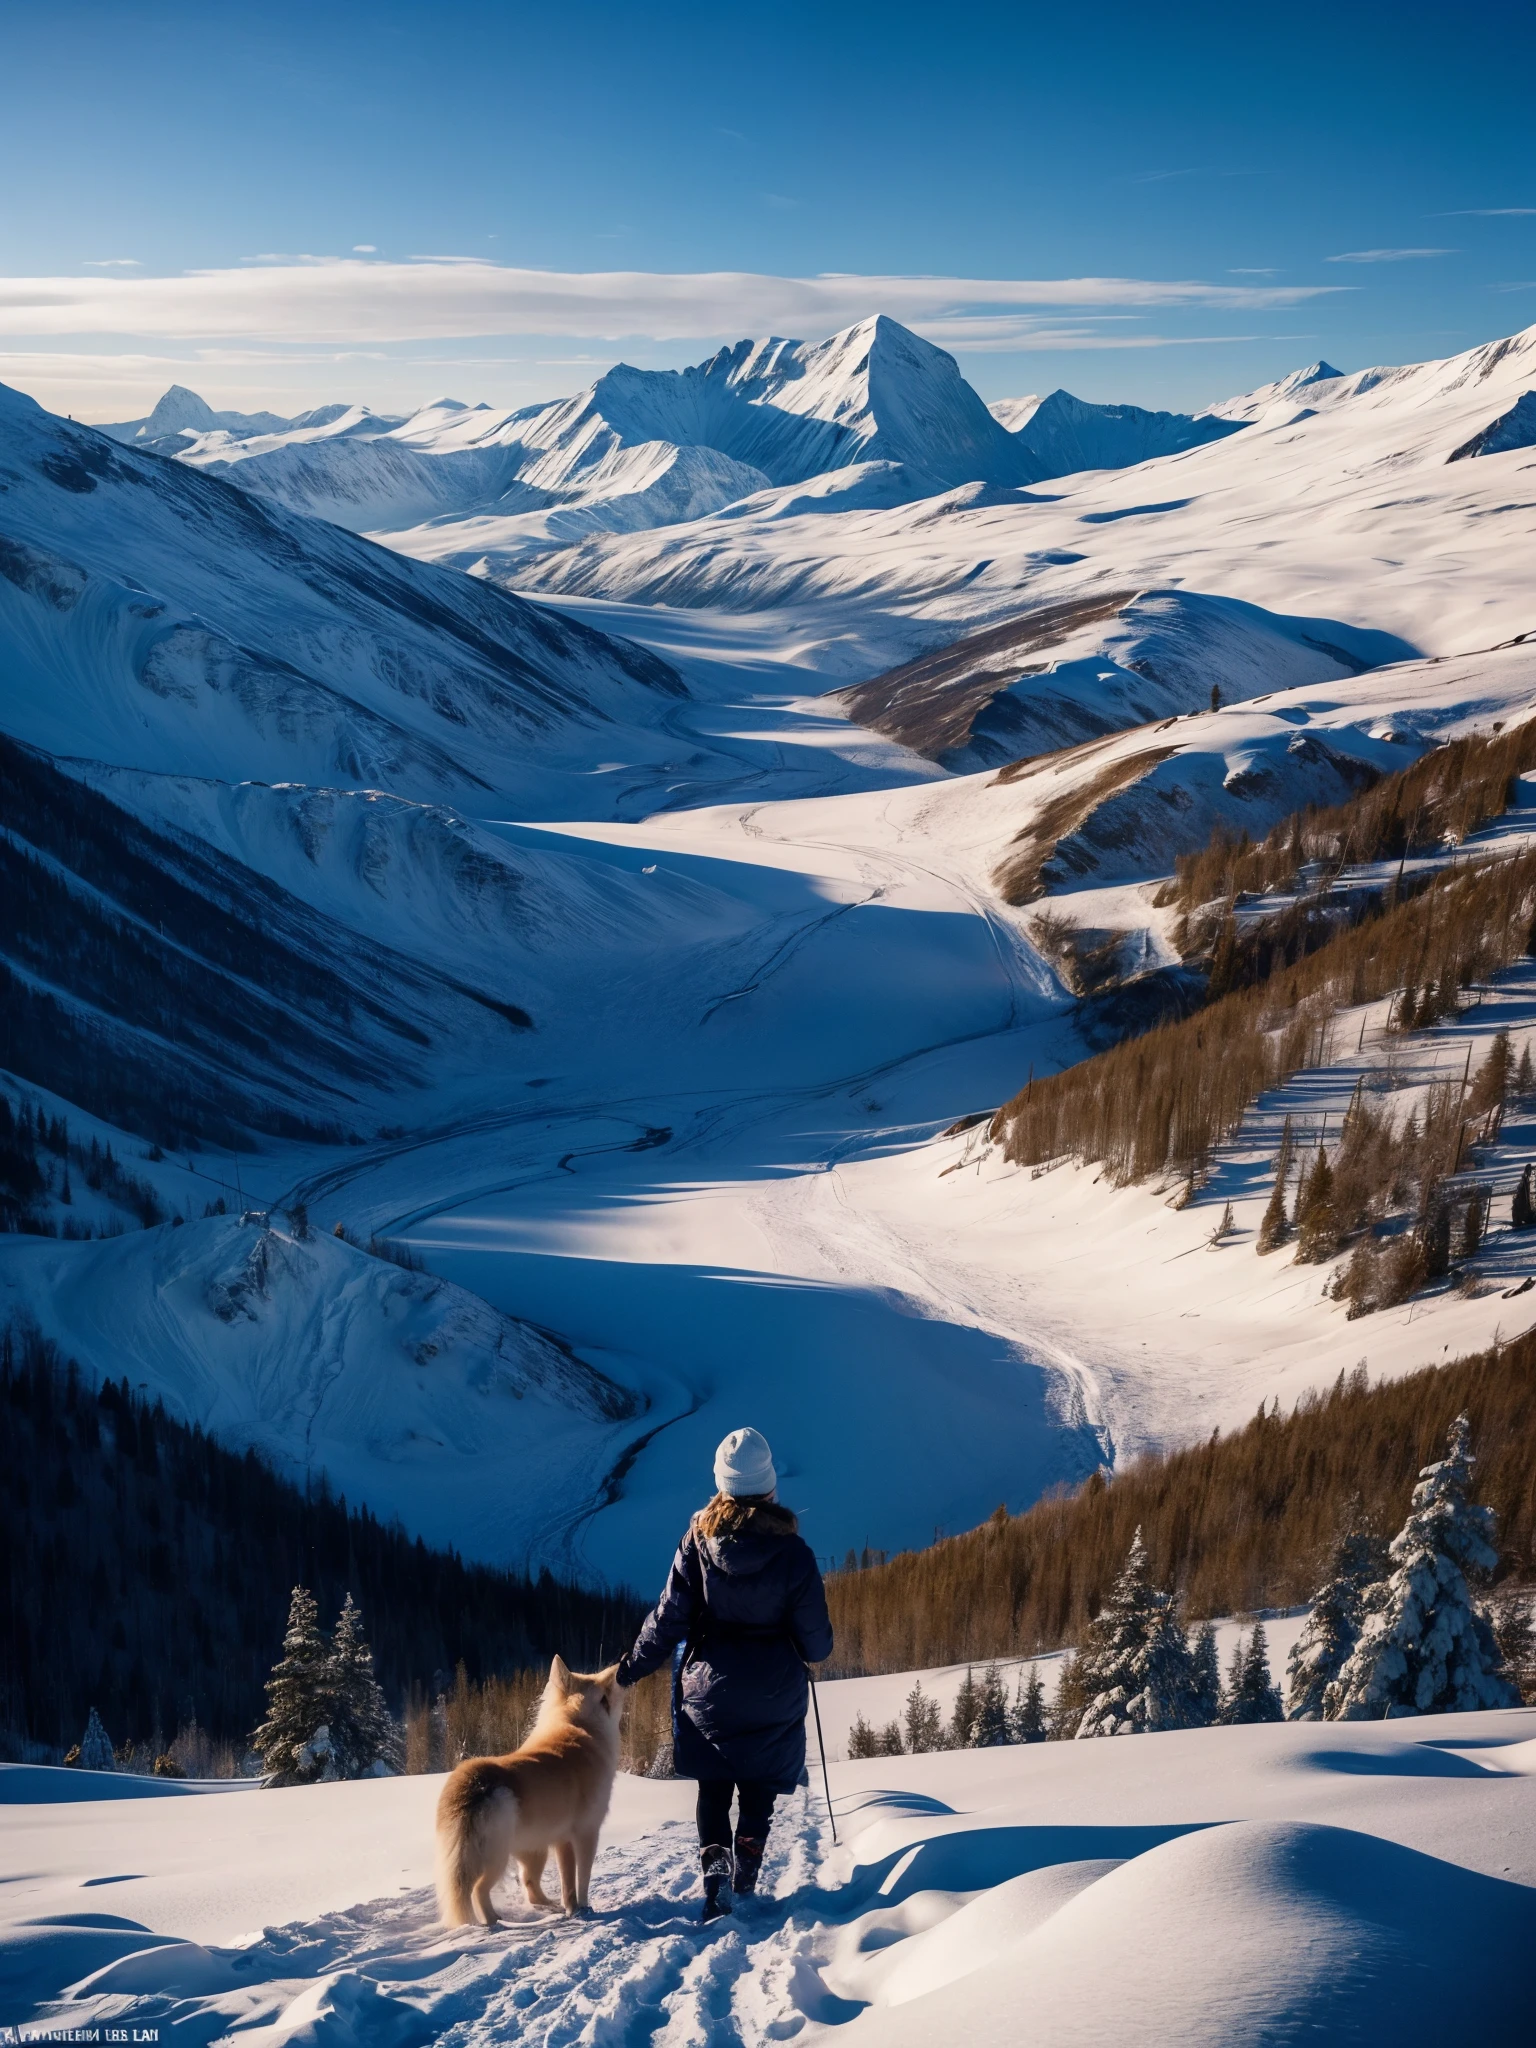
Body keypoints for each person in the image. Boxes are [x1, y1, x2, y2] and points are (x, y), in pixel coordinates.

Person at [616, 1426, 833, 1921]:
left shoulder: (697, 1540)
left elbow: (669, 1617)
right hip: (774, 1692)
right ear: (769, 1484)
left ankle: (716, 1886)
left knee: (713, 1790)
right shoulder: (794, 1554)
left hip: (708, 1692)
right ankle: (746, 1877)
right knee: (757, 1791)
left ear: (722, 1485)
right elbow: (818, 1645)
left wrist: (629, 1670)